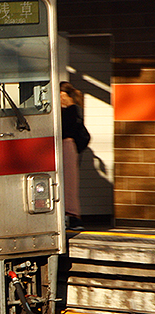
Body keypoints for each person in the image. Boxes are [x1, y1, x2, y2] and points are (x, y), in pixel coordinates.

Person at [60, 81, 88, 230]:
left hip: (66, 147)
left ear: (63, 95)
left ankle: (72, 215)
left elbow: (66, 129)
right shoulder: (75, 110)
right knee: (69, 181)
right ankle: (71, 215)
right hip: (69, 148)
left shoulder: (70, 111)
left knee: (69, 182)